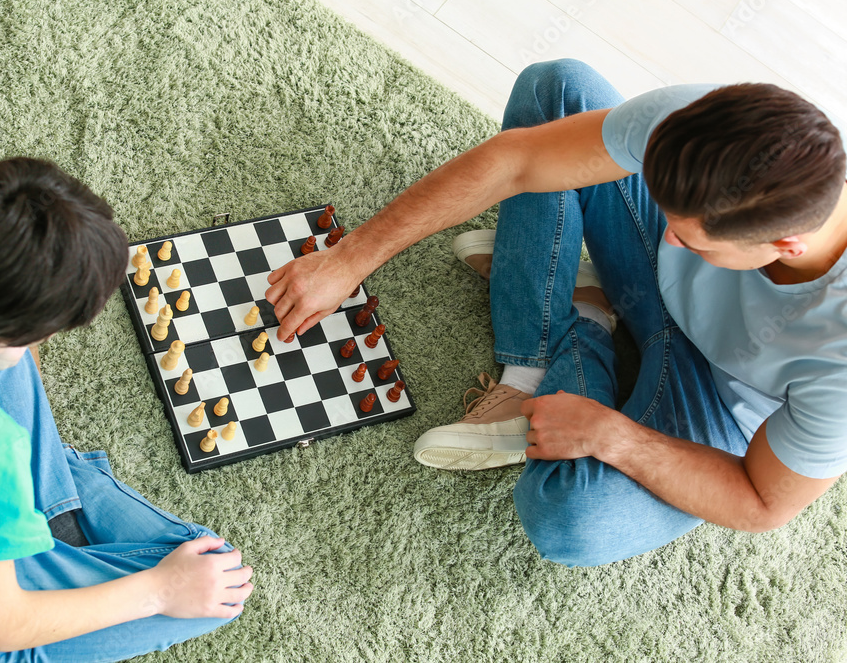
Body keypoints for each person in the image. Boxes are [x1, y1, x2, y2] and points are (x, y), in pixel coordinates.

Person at [265, 59, 847, 567]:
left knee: (573, 520)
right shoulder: (711, 127)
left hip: (720, 394)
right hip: (661, 298)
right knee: (557, 90)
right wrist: (350, 259)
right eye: (666, 216)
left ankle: (585, 318)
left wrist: (614, 437)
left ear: (789, 243)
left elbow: (763, 502)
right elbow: (516, 161)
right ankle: (537, 358)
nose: (665, 240)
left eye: (693, 242)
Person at [0, 158, 253, 663]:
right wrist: (159, 590)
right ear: (11, 335)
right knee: (215, 572)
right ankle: (51, 512)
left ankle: (42, 513)